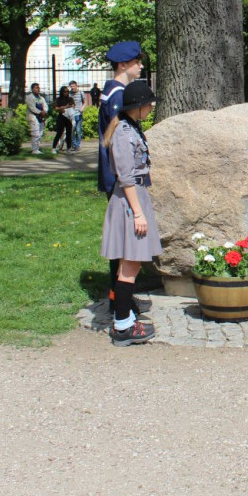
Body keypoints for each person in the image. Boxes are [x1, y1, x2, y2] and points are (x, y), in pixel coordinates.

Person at [101, 80, 161, 347]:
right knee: (130, 265)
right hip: (130, 202)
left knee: (131, 265)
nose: (150, 107)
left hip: (135, 198)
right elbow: (126, 178)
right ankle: (123, 326)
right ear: (137, 107)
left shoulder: (131, 128)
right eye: (148, 103)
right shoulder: (124, 135)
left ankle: (123, 321)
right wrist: (138, 214)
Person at [99, 42, 145, 316]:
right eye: (137, 62)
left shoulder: (111, 91)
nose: (140, 66)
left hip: (116, 176)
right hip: (121, 178)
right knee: (126, 243)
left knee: (124, 242)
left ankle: (121, 298)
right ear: (123, 65)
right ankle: (120, 301)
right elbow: (119, 141)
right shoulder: (117, 96)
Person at [24, 83, 48, 154]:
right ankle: (34, 149)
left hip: (41, 117)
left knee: (40, 133)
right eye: (35, 88)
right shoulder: (29, 97)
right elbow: (32, 108)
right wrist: (40, 112)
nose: (37, 89)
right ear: (32, 89)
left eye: (38, 87)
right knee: (35, 133)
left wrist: (45, 111)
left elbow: (45, 106)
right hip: (33, 116)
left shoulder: (41, 98)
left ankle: (37, 148)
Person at [51, 86, 75, 153]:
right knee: (59, 133)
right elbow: (56, 108)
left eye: (67, 91)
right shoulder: (58, 99)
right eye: (65, 91)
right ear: (61, 92)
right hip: (61, 117)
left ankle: (69, 148)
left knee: (69, 133)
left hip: (68, 117)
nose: (66, 93)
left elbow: (73, 106)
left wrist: (68, 107)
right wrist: (63, 107)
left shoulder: (70, 99)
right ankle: (54, 148)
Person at [69, 81, 85, 151]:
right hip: (72, 114)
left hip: (79, 113)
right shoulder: (69, 94)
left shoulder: (81, 93)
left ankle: (78, 144)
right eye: (71, 86)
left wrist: (82, 108)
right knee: (72, 130)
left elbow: (85, 102)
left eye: (73, 86)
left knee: (78, 130)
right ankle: (74, 144)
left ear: (76, 86)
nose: (72, 88)